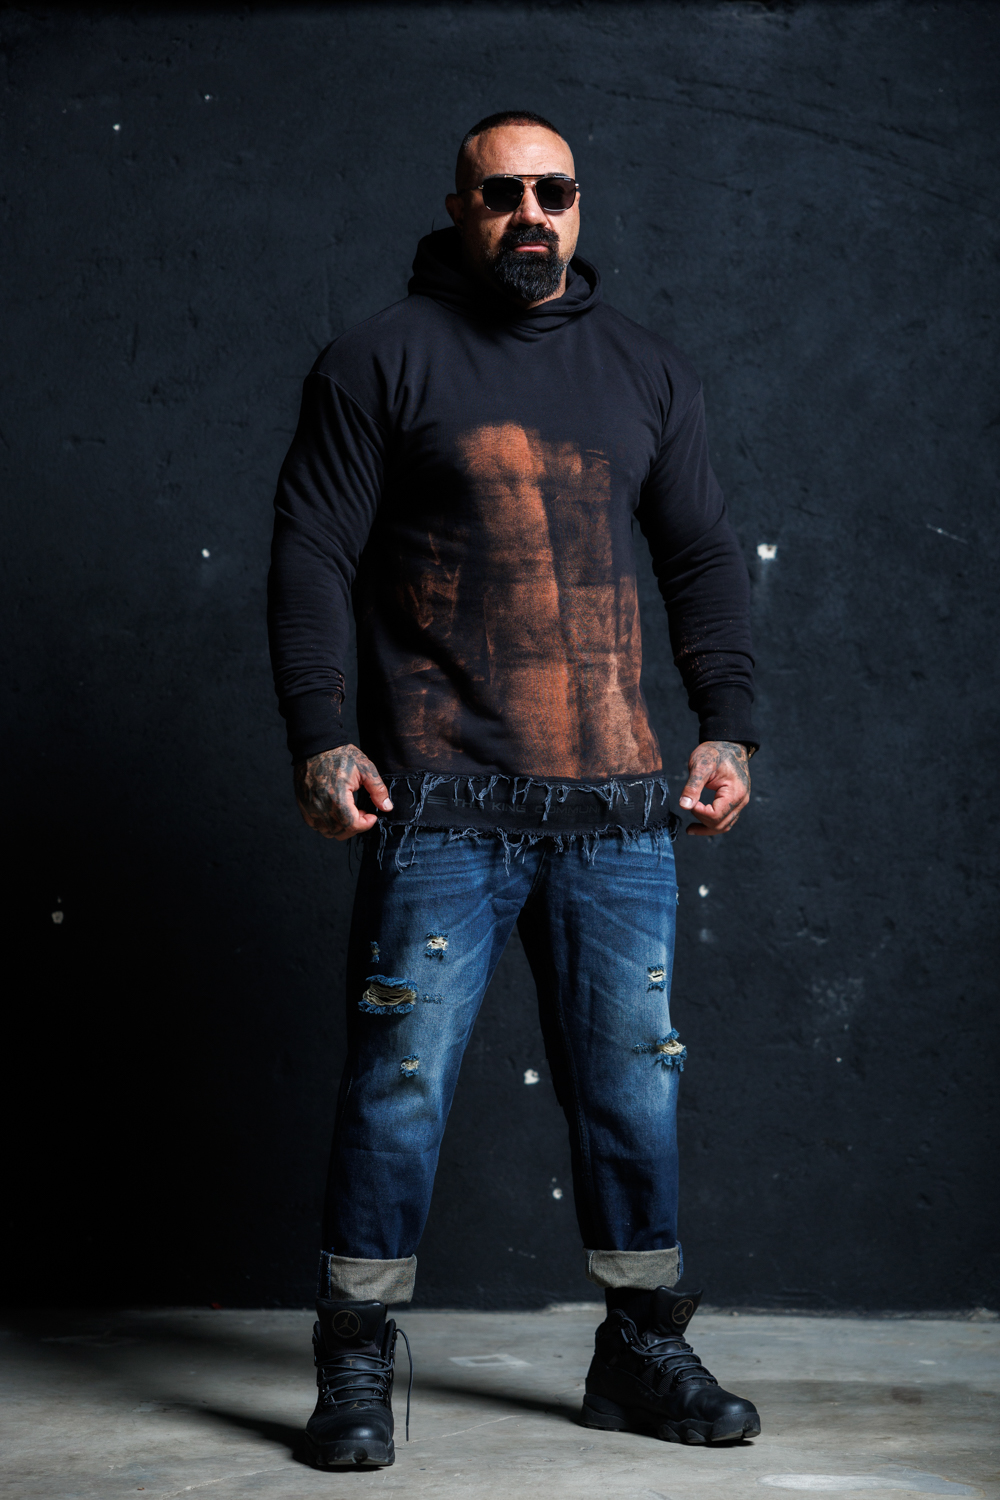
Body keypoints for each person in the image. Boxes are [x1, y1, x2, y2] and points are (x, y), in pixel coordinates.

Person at [268, 109, 761, 1470]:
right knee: (398, 1088)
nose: (530, 214)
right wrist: (322, 737)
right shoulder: (379, 358)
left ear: (579, 206)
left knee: (633, 1090)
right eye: (503, 195)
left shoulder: (648, 370)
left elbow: (702, 558)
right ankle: (354, 1359)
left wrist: (728, 730)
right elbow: (311, 551)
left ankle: (640, 1346)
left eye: (554, 192)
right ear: (460, 209)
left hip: (620, 814)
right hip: (440, 805)